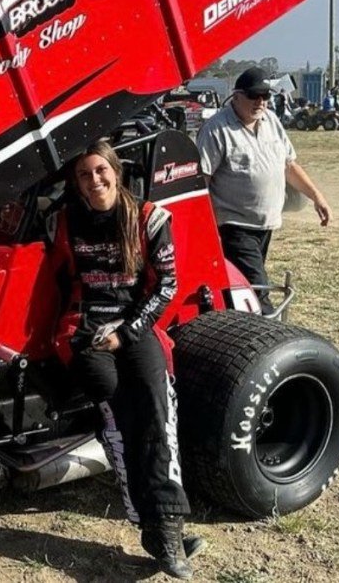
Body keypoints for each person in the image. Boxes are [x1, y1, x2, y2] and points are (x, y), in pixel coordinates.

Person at [51, 140, 203, 579]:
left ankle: (166, 529)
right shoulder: (64, 221)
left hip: (133, 324)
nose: (94, 180)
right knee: (121, 416)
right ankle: (153, 528)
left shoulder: (149, 218)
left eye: (101, 170)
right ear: (76, 182)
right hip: (85, 330)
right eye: (84, 174)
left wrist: (126, 333)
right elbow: (55, 281)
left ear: (116, 172)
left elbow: (168, 285)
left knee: (157, 406)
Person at [197, 67, 331, 314]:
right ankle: (271, 330)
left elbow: (289, 165)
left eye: (265, 96)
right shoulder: (216, 129)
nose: (260, 102)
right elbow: (202, 179)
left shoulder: (271, 121)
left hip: (265, 225)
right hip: (234, 226)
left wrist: (317, 197)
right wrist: (203, 227)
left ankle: (234, 325)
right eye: (253, 95)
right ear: (237, 96)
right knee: (257, 292)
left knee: (240, 290)